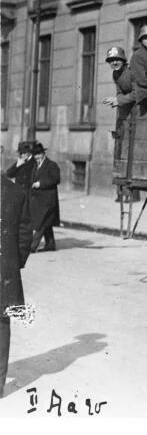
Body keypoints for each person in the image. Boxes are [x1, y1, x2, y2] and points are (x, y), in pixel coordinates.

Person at [1, 174, 26, 398]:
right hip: (7, 271)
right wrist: (15, 262)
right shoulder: (16, 191)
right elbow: (26, 231)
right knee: (3, 323)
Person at [5, 141, 34, 268]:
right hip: (19, 196)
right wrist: (18, 165)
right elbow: (9, 174)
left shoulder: (34, 163)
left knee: (26, 221)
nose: (21, 155)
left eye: (22, 153)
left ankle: (30, 244)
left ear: (28, 153)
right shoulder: (20, 162)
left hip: (29, 195)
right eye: (20, 153)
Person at [28, 142, 60, 253]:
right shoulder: (36, 165)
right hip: (39, 200)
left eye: (38, 154)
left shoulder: (52, 165)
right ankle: (50, 244)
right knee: (46, 222)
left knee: (41, 223)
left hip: (48, 200)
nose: (36, 157)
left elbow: (56, 179)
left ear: (43, 153)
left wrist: (40, 184)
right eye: (35, 155)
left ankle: (32, 246)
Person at [102, 47, 136, 126]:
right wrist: (115, 101)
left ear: (123, 61)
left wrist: (119, 100)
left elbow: (138, 93)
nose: (114, 63)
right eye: (111, 61)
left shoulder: (132, 71)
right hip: (128, 106)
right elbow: (119, 92)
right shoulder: (115, 74)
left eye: (117, 60)